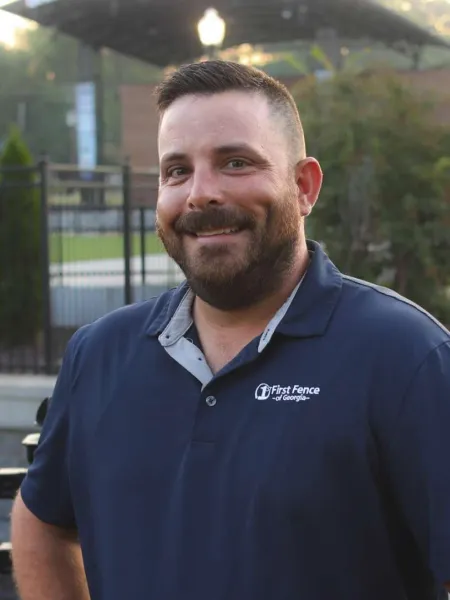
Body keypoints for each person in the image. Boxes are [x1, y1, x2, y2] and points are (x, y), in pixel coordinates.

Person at [11, 60, 450, 600]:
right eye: (176, 171)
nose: (200, 194)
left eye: (235, 162)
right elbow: (42, 525)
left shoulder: (406, 356)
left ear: (304, 186)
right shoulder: (99, 354)